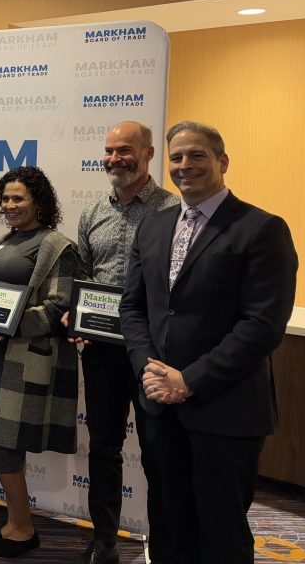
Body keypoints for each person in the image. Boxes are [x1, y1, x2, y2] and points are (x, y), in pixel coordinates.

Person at [119, 121, 298, 564]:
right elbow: (133, 308)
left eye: (197, 155)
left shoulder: (261, 228)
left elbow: (262, 325)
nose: (185, 165)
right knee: (167, 523)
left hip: (225, 410)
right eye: (177, 157)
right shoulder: (153, 226)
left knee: (221, 532)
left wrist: (190, 380)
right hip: (159, 408)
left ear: (222, 161)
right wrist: (148, 369)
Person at [71, 122, 177, 564]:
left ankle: (165, 543)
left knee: (158, 451)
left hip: (154, 353)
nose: (115, 159)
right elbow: (83, 276)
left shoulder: (174, 210)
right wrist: (74, 313)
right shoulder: (93, 211)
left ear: (148, 153)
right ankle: (105, 540)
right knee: (104, 448)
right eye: (109, 151)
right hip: (101, 352)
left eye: (125, 150)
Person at [0, 166, 80, 559]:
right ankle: (13, 523)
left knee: (3, 448)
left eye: (19, 198)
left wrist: (10, 325)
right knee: (2, 446)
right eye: (6, 199)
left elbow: (58, 308)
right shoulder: (9, 239)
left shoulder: (57, 246)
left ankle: (24, 529)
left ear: (39, 202)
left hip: (19, 361)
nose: (10, 205)